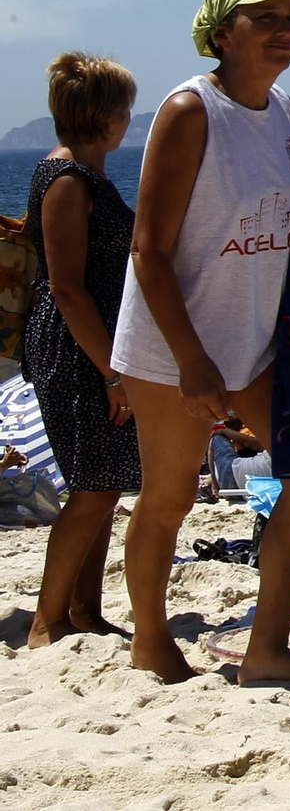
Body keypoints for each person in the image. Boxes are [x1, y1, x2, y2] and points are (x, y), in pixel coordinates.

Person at [112, 0, 290, 688]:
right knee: (169, 497)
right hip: (170, 347)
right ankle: (150, 641)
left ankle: (267, 648)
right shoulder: (191, 110)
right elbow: (148, 248)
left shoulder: (280, 106)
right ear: (223, 32)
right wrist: (190, 360)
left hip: (253, 342)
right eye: (266, 17)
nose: (286, 29)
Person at [21, 53, 143, 648]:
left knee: (106, 481)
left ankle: (85, 611)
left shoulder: (83, 172)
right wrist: (114, 373)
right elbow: (66, 290)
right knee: (93, 483)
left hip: (94, 343)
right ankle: (48, 621)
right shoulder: (68, 177)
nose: (130, 117)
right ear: (106, 115)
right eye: (125, 107)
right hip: (75, 347)